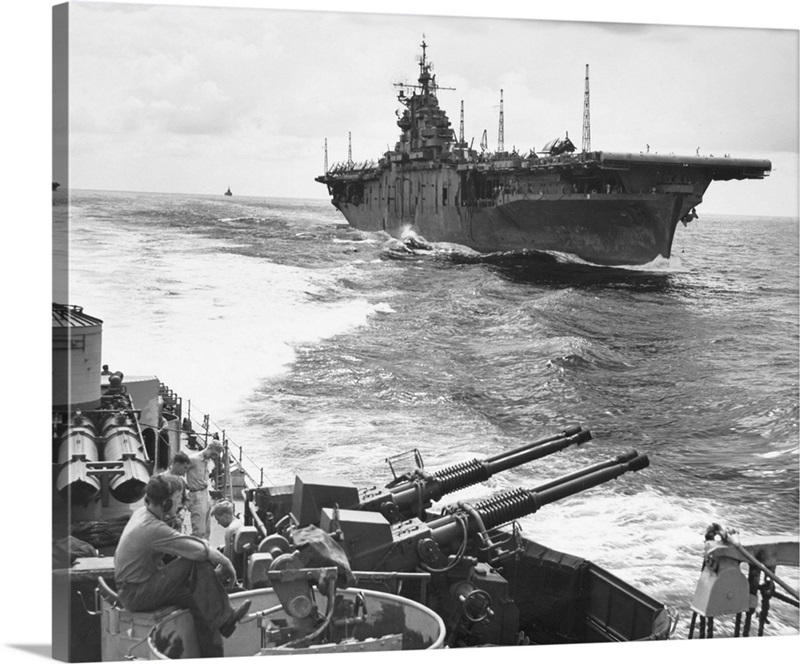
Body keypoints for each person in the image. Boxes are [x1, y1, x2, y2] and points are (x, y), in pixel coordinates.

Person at [114, 474, 251, 658]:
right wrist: (226, 563)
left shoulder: (143, 514)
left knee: (200, 600)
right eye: (178, 498)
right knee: (194, 560)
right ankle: (226, 618)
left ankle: (212, 655)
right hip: (135, 594)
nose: (180, 503)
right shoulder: (152, 528)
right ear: (166, 503)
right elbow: (199, 551)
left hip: (136, 588)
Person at [186, 440, 223, 539]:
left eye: (216, 456)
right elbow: (178, 472)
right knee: (198, 531)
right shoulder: (193, 459)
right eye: (213, 454)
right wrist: (185, 494)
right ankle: (194, 547)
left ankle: (205, 547)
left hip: (206, 494)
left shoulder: (207, 461)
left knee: (207, 529)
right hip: (196, 495)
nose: (213, 457)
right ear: (208, 448)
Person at [211, 501, 245, 578]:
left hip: (233, 570)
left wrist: (215, 573)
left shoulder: (231, 530)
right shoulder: (239, 522)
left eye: (218, 519)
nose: (218, 523)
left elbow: (226, 562)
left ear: (225, 515)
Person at [160, 451, 192, 532]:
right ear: (177, 465)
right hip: (162, 520)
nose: (186, 471)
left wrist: (183, 512)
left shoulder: (181, 481)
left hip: (177, 520)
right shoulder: (160, 480)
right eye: (185, 468)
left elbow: (186, 499)